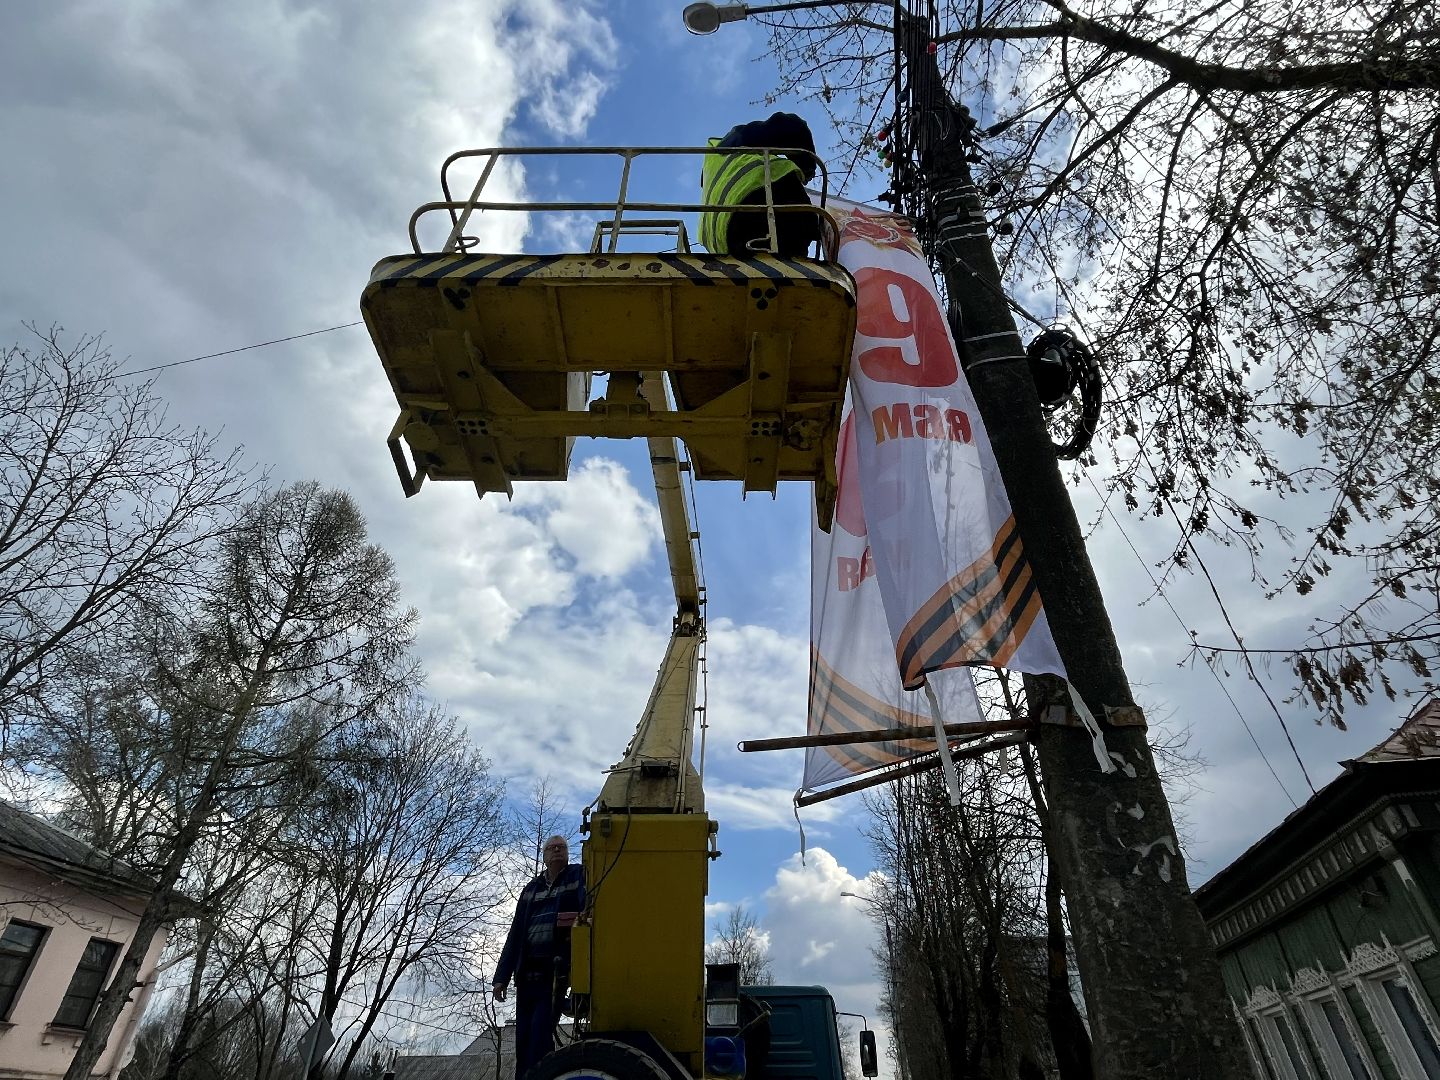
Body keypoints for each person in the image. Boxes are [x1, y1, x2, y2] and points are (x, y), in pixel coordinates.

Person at [493, 835, 586, 1078]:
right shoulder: (530, 889)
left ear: (567, 853)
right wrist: (501, 977)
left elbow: (588, 908)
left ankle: (544, 1075)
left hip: (553, 974)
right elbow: (515, 933)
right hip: (526, 976)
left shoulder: (578, 876)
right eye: (551, 848)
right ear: (544, 856)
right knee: (523, 1042)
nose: (556, 851)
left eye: (561, 847)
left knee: (539, 1038)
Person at [699, 112, 823, 258]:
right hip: (766, 206)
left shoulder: (711, 174)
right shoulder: (734, 140)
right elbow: (792, 126)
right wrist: (807, 167)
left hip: (730, 245)